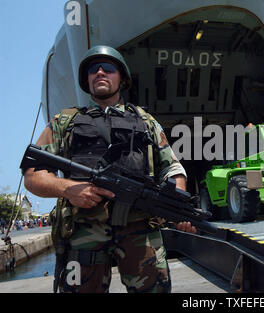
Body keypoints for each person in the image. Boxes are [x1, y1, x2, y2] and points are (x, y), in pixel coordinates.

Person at [23, 45, 196, 293]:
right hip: (83, 235)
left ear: (122, 77)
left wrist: (178, 205)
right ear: (87, 79)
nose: (100, 73)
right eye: (93, 69)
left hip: (141, 232)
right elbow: (32, 175)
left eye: (108, 68)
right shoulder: (65, 122)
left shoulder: (146, 121)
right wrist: (67, 188)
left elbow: (172, 169)